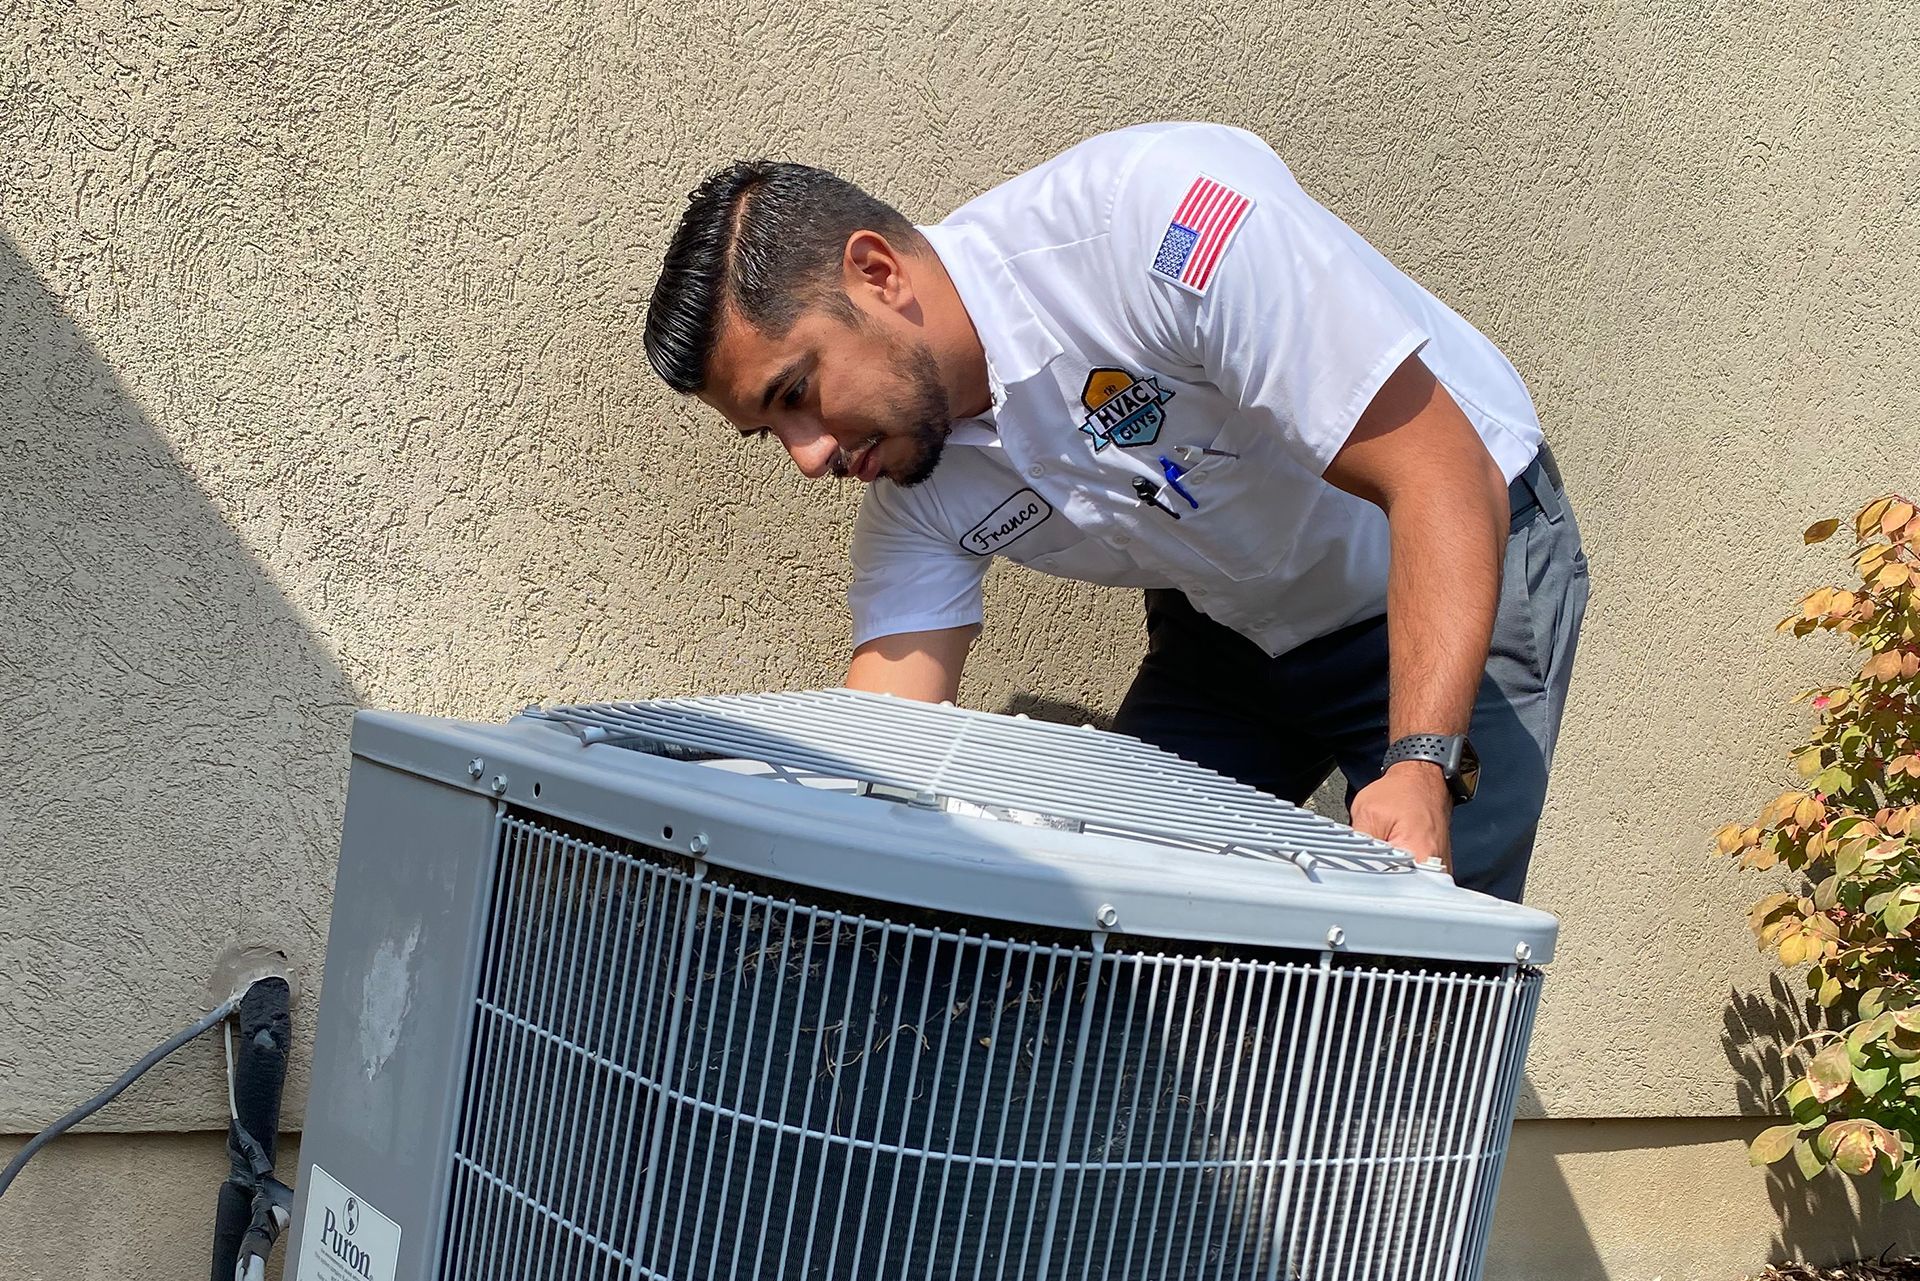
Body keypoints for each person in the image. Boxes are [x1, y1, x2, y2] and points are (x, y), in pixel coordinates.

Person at [641, 121, 1589, 902]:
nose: (809, 456)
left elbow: (1441, 473)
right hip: (1232, 625)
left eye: (798, 390)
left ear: (878, 272)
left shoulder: (1157, 226)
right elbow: (885, 746)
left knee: (1422, 965)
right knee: (1110, 912)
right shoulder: (911, 482)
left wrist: (1422, 760)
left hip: (1440, 551)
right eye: (771, 433)